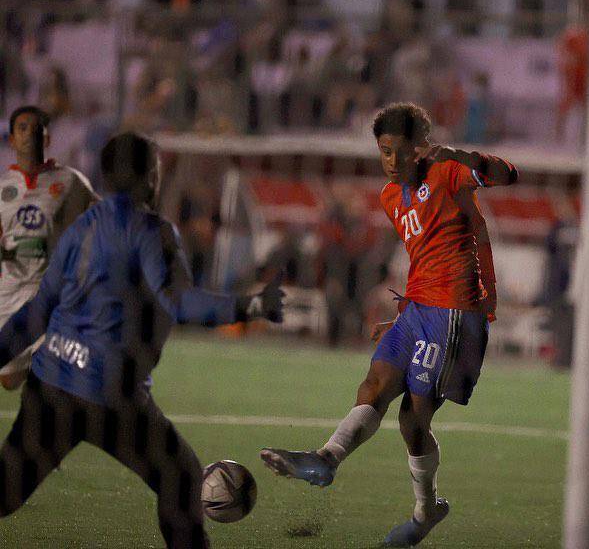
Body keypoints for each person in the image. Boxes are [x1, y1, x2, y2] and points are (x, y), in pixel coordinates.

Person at [0, 133, 285, 548]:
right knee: (181, 476)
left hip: (51, 386)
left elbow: (38, 310)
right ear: (150, 176)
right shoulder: (151, 231)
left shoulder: (82, 227)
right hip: (110, 397)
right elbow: (182, 303)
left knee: (5, 493)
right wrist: (250, 307)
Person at [261, 102, 517, 547]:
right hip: (417, 310)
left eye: (400, 151)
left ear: (421, 149)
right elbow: (426, 256)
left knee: (411, 421)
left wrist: (457, 155)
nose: (392, 162)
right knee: (373, 386)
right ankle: (326, 459)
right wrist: (402, 316)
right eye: (384, 152)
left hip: (455, 313)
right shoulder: (388, 197)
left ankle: (425, 513)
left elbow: (506, 174)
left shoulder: (448, 174)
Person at [0, 105, 98, 390]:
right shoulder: (3, 187)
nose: (29, 133)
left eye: (36, 128)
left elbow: (104, 217)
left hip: (52, 293)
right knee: (9, 380)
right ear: (11, 140)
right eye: (22, 128)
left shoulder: (70, 181)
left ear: (47, 139)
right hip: (10, 292)